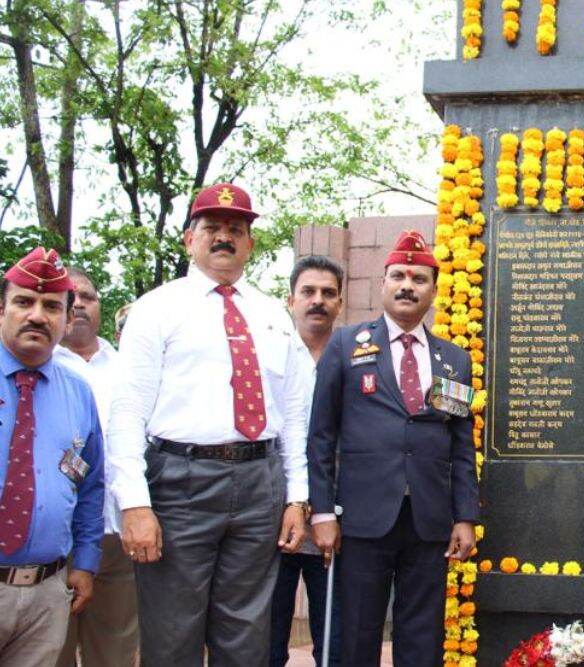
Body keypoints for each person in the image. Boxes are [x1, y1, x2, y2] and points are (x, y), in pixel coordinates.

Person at [106, 183, 311, 666]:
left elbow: (295, 414)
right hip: (181, 483)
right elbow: (127, 412)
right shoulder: (156, 309)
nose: (224, 237)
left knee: (246, 637)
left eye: (235, 229)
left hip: (260, 483)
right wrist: (134, 504)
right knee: (173, 635)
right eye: (212, 227)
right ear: (188, 239)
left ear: (250, 243)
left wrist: (296, 496)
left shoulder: (273, 315)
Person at [308, 230, 479, 667]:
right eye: (399, 276)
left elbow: (460, 443)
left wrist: (465, 516)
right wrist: (323, 512)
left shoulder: (453, 359)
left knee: (422, 637)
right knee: (357, 634)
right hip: (363, 519)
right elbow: (322, 437)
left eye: (419, 278)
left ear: (433, 291)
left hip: (428, 519)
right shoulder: (346, 346)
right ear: (383, 284)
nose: (408, 285)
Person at [0, 248, 104, 667]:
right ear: (2, 308)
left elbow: (91, 485)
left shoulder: (78, 392)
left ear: (65, 317)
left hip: (48, 590)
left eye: (51, 306)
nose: (38, 316)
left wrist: (86, 563)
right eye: (24, 302)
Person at [54, 267, 138, 667]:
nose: (80, 305)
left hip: (119, 530)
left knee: (116, 649)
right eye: (70, 298)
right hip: (55, 537)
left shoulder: (128, 369)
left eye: (88, 296)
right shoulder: (39, 367)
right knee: (52, 649)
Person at [270, 255, 345, 667]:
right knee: (267, 636)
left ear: (340, 302)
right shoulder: (270, 356)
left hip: (333, 520)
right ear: (290, 299)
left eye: (328, 293)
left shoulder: (355, 354)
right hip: (272, 518)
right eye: (308, 292)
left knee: (332, 638)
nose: (318, 301)